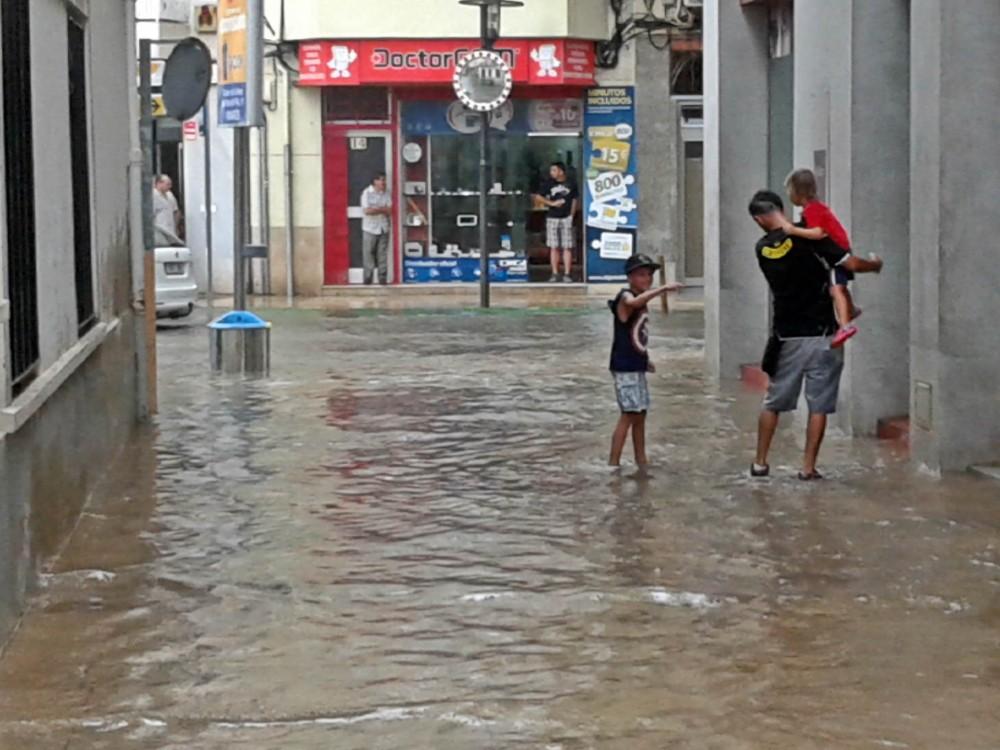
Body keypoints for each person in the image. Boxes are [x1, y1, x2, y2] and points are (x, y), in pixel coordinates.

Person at [748, 190, 884, 480]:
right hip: (824, 335)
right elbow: (850, 264)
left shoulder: (762, 249)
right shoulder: (813, 239)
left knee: (773, 402)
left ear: (759, 219)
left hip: (787, 337)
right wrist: (875, 265)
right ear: (782, 209)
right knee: (818, 405)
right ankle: (808, 468)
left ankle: (760, 462)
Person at [608, 254, 683, 467]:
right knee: (628, 414)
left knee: (640, 414)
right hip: (624, 367)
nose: (647, 279)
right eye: (641, 275)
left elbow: (638, 335)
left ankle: (641, 459)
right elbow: (633, 303)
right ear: (630, 277)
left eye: (650, 275)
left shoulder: (640, 299)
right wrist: (661, 289)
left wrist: (645, 358)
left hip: (636, 364)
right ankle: (613, 463)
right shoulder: (625, 296)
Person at [781, 169, 861, 348]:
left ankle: (845, 325)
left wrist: (793, 230)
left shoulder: (813, 210)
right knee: (839, 284)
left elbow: (817, 233)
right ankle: (851, 309)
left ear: (798, 192)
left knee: (836, 289)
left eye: (789, 191)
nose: (788, 196)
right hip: (840, 252)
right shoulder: (814, 209)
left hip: (837, 255)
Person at [533, 162, 579, 283]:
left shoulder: (571, 183)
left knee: (567, 247)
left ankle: (567, 273)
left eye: (554, 170)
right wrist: (551, 203)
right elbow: (538, 196)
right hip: (552, 217)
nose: (551, 173)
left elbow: (575, 200)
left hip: (566, 218)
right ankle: (555, 273)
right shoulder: (548, 183)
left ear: (561, 171)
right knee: (554, 247)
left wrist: (572, 215)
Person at [361, 172, 392, 285]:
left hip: (383, 227)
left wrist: (377, 209)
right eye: (380, 180)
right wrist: (382, 209)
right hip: (370, 228)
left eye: (384, 180)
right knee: (369, 253)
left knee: (382, 254)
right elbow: (367, 211)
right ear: (374, 181)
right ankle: (368, 277)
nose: (383, 182)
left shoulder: (386, 193)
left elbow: (390, 210)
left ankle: (382, 278)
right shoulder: (367, 193)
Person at [153, 174, 182, 245]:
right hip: (160, 231)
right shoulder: (153, 195)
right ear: (159, 183)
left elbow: (176, 211)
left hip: (171, 230)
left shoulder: (170, 195)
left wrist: (176, 226)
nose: (170, 187)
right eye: (167, 184)